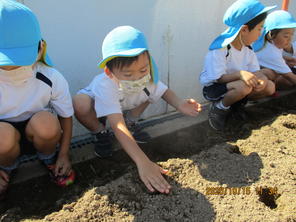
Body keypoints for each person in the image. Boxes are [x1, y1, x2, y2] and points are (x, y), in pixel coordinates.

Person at [73, 26, 202, 193]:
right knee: (80, 103)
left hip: (126, 103)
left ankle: (132, 122)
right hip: (101, 106)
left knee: (150, 91)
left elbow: (163, 91)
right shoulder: (105, 84)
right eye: (128, 74)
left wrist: (180, 103)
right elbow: (117, 126)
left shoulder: (148, 76)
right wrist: (143, 162)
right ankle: (100, 133)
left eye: (143, 70)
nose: (137, 78)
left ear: (148, 61)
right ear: (109, 71)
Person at [0, 0, 75, 198]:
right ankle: (7, 167)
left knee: (48, 123)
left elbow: (66, 116)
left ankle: (49, 159)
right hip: (3, 140)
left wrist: (64, 154)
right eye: (5, 64)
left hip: (38, 132)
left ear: (40, 48)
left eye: (20, 61)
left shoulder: (50, 77)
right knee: (3, 136)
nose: (13, 69)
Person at [199, 0, 276, 130]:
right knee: (243, 88)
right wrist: (241, 74)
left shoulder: (248, 49)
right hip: (215, 88)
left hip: (237, 85)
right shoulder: (221, 50)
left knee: (270, 86)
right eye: (259, 28)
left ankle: (236, 107)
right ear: (244, 29)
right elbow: (218, 78)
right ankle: (218, 109)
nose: (260, 33)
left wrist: (261, 79)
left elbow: (255, 72)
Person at [253, 10, 296, 89]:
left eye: (291, 35)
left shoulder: (268, 43)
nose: (289, 39)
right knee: (282, 79)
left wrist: (284, 59)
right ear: (271, 35)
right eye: (286, 36)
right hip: (252, 77)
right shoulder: (271, 53)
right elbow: (290, 77)